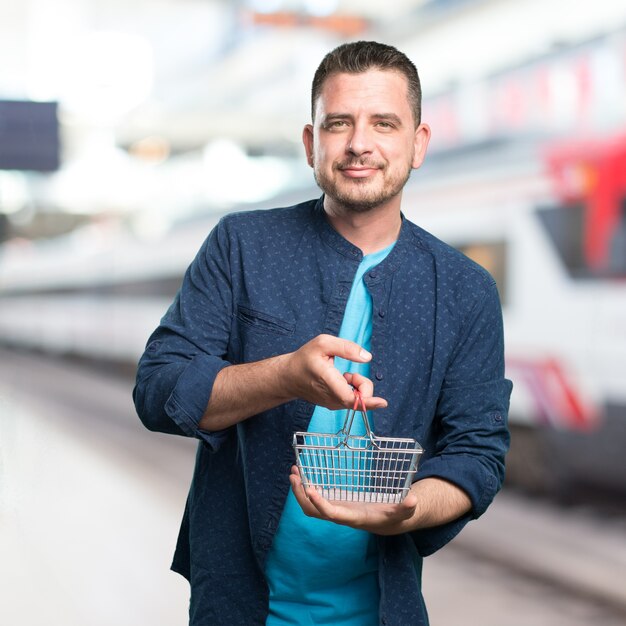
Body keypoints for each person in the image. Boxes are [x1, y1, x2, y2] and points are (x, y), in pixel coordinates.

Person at [133, 40, 512, 626]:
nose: (360, 143)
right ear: (311, 143)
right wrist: (285, 375)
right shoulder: (241, 246)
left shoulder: (466, 291)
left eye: (384, 123)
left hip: (383, 611)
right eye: (339, 123)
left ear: (418, 144)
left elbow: (478, 455)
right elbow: (158, 392)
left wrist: (406, 509)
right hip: (235, 605)